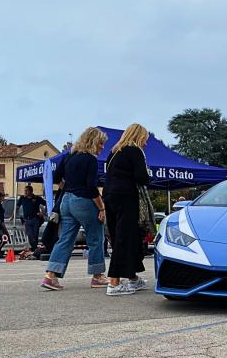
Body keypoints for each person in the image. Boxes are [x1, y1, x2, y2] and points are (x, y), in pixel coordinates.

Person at [41, 127, 110, 291]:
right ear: (93, 142)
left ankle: (51, 275)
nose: (102, 148)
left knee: (65, 238)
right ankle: (98, 275)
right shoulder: (91, 160)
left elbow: (57, 178)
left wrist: (68, 187)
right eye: (100, 144)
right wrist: (101, 208)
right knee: (95, 238)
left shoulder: (68, 156)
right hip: (84, 201)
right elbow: (91, 187)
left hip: (66, 201)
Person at [104, 123, 151, 295]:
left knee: (124, 237)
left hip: (110, 195)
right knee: (125, 238)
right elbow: (142, 177)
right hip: (126, 197)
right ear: (139, 136)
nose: (145, 143)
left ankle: (132, 278)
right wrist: (148, 175)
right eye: (145, 139)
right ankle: (114, 283)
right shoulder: (135, 150)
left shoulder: (114, 151)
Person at [17, 185, 46, 252]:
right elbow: (17, 207)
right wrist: (12, 216)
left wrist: (43, 213)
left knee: (35, 235)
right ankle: (34, 248)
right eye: (25, 191)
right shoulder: (22, 198)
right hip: (27, 220)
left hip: (35, 219)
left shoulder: (37, 198)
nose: (25, 192)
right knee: (30, 235)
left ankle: (34, 249)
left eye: (27, 191)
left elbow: (47, 203)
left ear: (31, 191)